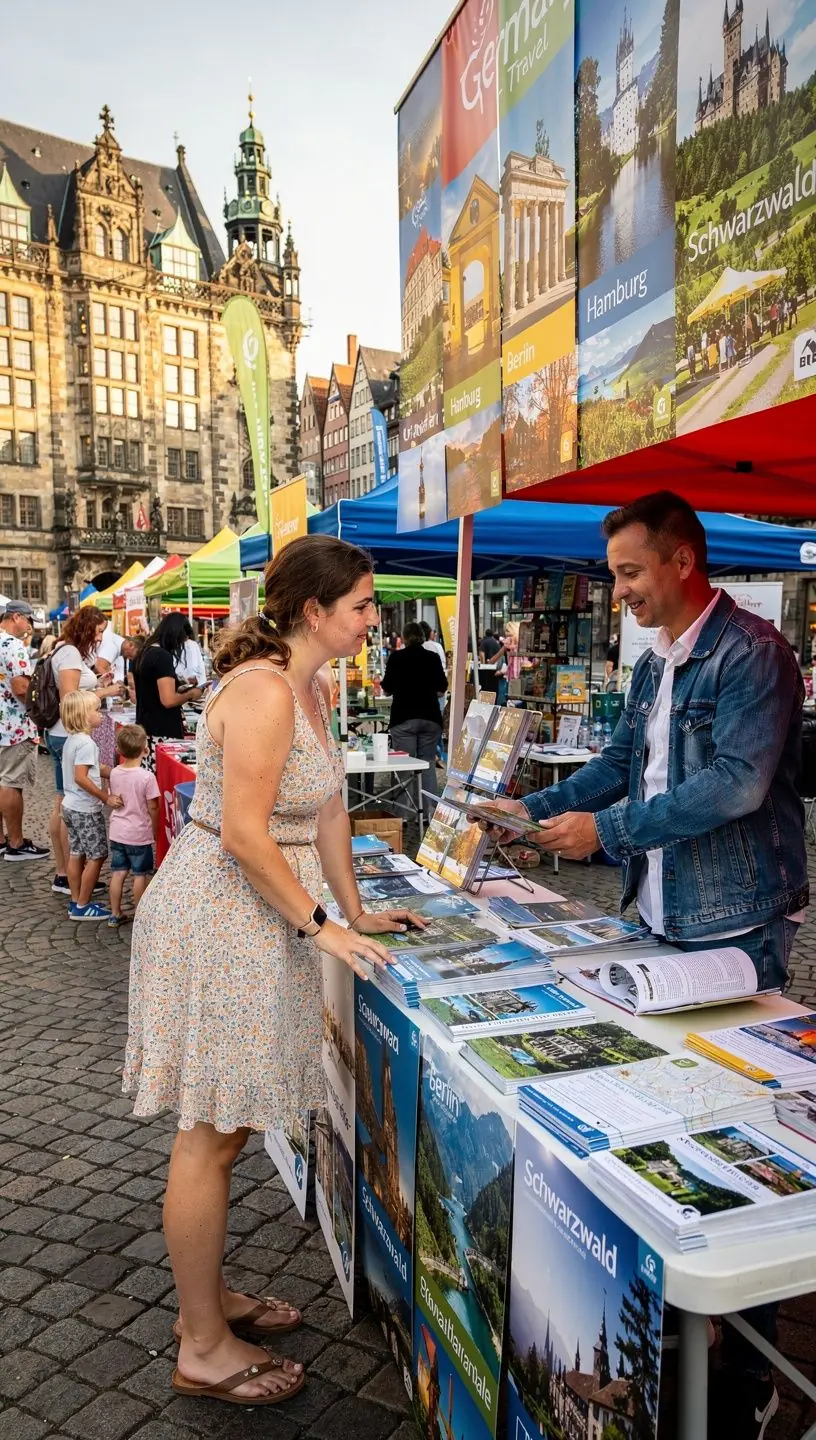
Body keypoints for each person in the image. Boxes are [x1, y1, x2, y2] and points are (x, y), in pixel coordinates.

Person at [486, 490, 807, 1438]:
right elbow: (620, 763)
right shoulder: (653, 662)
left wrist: (607, 832)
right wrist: (537, 811)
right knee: (674, 1123)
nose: (618, 589)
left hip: (735, 924)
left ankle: (751, 1372)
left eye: (629, 572)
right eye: (614, 573)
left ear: (681, 560)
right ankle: (689, 1333)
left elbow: (736, 786)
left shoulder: (753, 654)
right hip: (664, 919)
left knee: (736, 1126)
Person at [123, 534, 427, 1408]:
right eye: (362, 606)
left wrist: (353, 908)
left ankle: (208, 1301)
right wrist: (323, 926)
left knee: (224, 1127)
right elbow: (247, 836)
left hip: (259, 915)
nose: (373, 621)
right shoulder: (262, 691)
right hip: (224, 917)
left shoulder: (311, 687)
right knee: (211, 1132)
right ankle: (201, 1344)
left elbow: (328, 809)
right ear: (314, 611)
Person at [46, 606, 123, 897]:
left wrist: (97, 684)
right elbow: (71, 699)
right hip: (64, 733)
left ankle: (69, 876)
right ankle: (66, 876)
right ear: (86, 628)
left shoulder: (71, 652)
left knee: (64, 801)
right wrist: (104, 692)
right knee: (65, 804)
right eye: (98, 631)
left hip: (62, 734)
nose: (100, 637)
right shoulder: (70, 653)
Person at [60, 690, 122, 921]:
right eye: (96, 710)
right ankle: (83, 905)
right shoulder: (86, 744)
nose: (101, 714)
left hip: (70, 805)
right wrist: (105, 797)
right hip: (85, 809)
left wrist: (117, 773)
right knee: (97, 855)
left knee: (77, 853)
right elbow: (81, 777)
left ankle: (76, 900)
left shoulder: (73, 740)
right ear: (83, 716)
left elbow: (96, 768)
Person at [381, 621, 447, 819]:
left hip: (404, 718)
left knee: (404, 766)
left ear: (404, 638)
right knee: (427, 764)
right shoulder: (433, 658)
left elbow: (387, 689)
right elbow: (442, 688)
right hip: (430, 718)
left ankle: (403, 814)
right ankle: (429, 813)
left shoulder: (396, 658)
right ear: (423, 637)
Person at [0, 599, 49, 861]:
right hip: (14, 725)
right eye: (29, 621)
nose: (30, 627)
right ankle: (16, 844)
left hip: (2, 723)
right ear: (16, 617)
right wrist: (39, 707)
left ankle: (1, 840)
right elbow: (21, 688)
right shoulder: (12, 645)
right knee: (11, 783)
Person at [107, 724, 160, 929]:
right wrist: (155, 829)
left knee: (118, 873)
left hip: (118, 831)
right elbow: (153, 806)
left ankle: (114, 913)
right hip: (138, 833)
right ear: (145, 750)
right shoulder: (147, 777)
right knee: (140, 875)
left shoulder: (114, 773)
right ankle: (140, 915)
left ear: (119, 750)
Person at [132, 613, 206, 757]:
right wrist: (191, 694)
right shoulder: (162, 656)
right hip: (163, 731)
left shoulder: (143, 653)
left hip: (146, 728)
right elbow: (168, 700)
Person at [176, 621, 207, 688]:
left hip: (196, 686)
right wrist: (185, 680)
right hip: (180, 686)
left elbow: (201, 667)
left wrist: (198, 680)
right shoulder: (173, 646)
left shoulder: (193, 644)